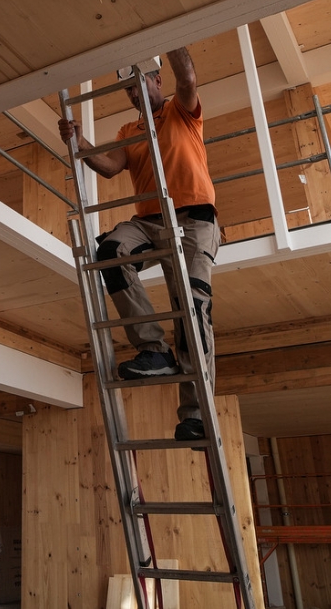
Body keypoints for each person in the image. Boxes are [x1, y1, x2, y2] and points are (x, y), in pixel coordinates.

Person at [59, 47, 219, 442]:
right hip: (149, 223)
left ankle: (196, 414)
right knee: (109, 253)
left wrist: (167, 35)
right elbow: (111, 167)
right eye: (127, 90)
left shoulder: (181, 111)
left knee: (192, 309)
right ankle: (154, 349)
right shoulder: (128, 132)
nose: (132, 94)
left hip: (194, 219)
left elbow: (189, 80)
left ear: (156, 81)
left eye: (138, 84)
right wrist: (79, 142)